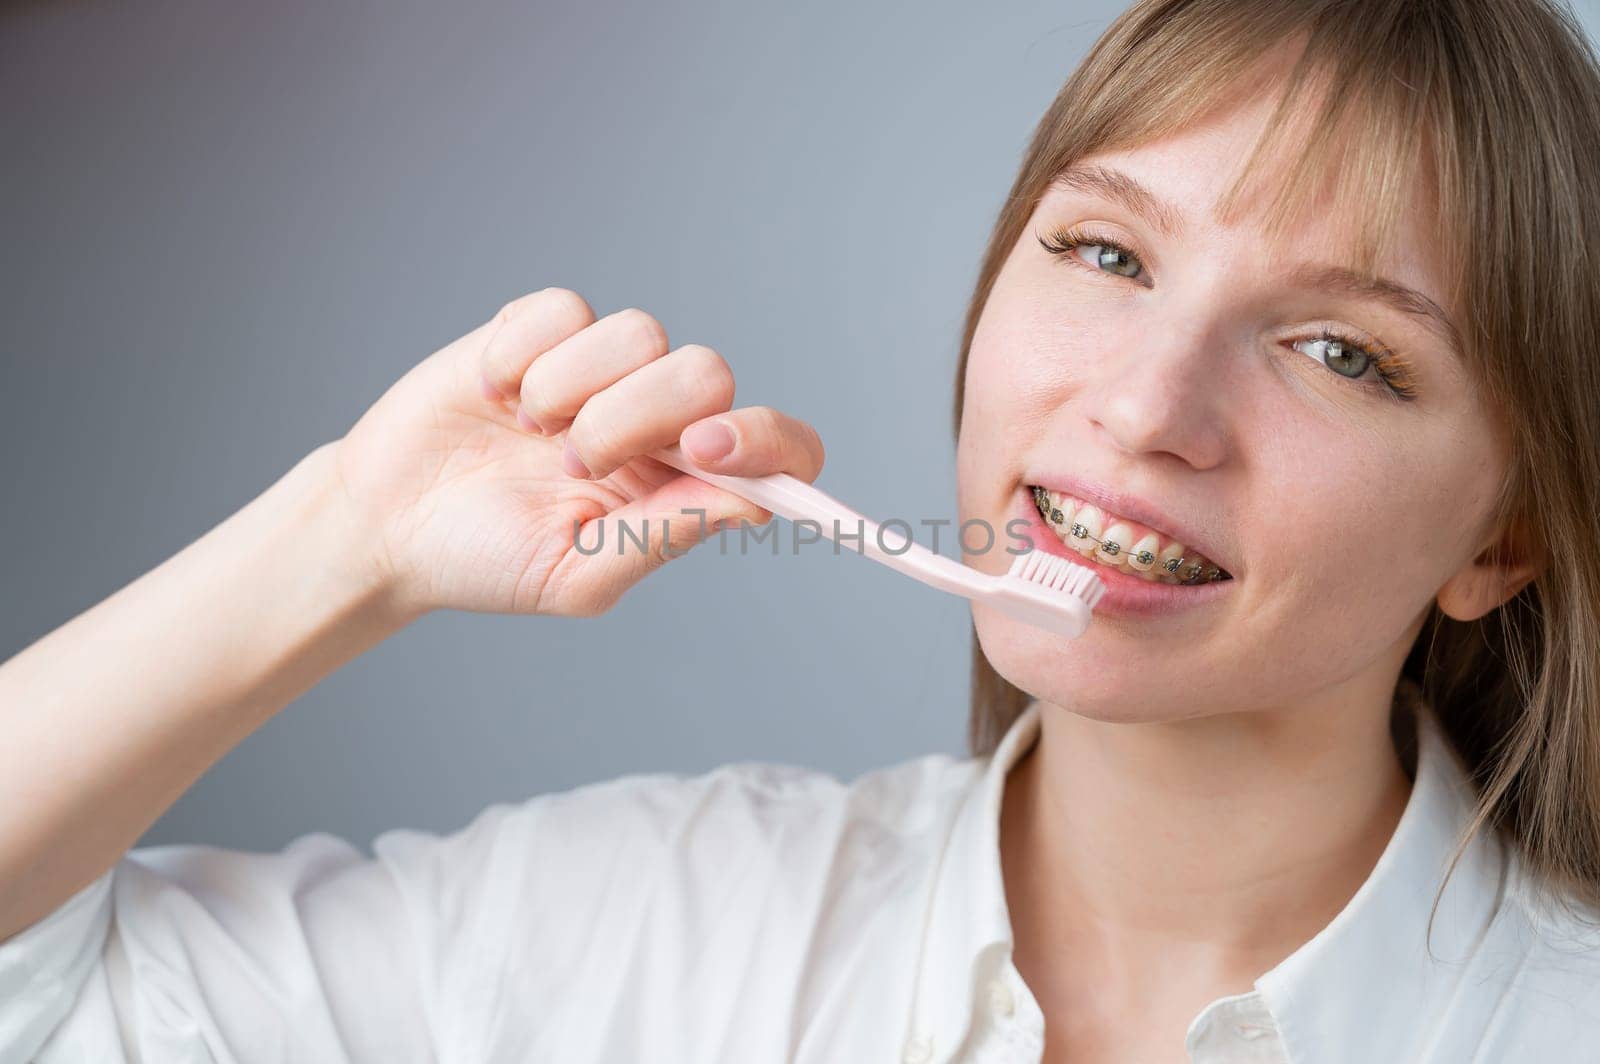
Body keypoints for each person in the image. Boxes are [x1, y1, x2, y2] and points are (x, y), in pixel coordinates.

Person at [5, 0, 1600, 1060]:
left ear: (1505, 542)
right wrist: (349, 539)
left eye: (1341, 352)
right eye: (1108, 255)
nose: (1146, 404)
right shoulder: (649, 934)